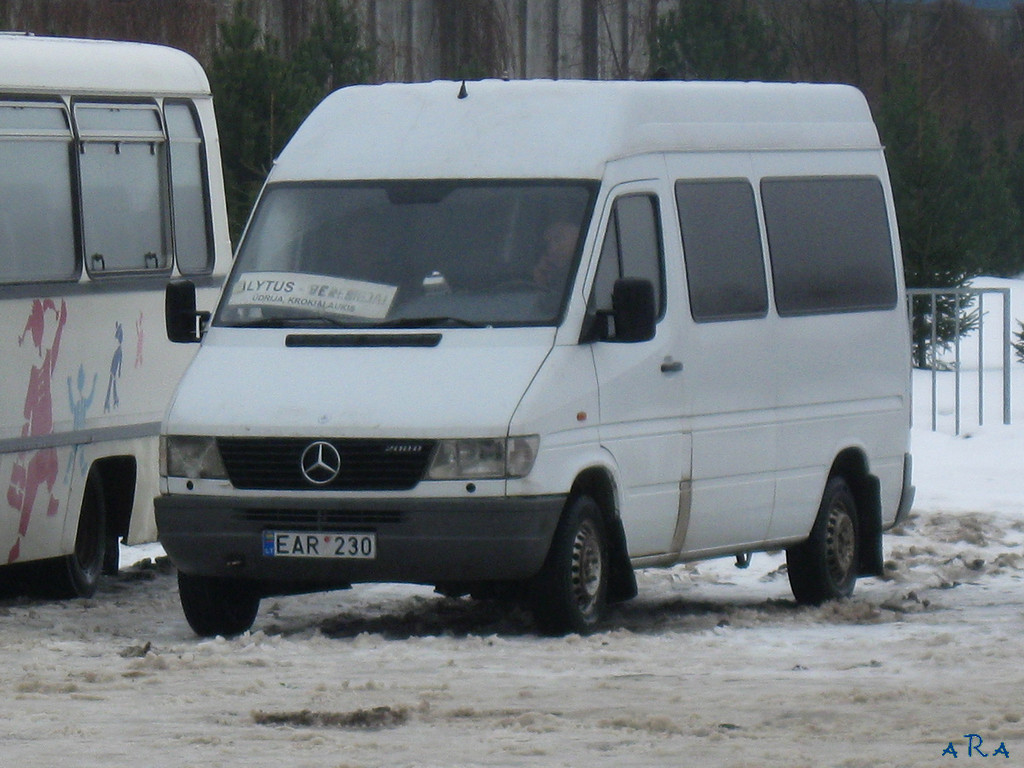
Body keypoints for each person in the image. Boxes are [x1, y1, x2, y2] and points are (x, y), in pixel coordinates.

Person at [532, 220, 579, 290]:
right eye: (548, 242)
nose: (552, 247)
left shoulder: (582, 275)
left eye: (558, 239)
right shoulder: (544, 270)